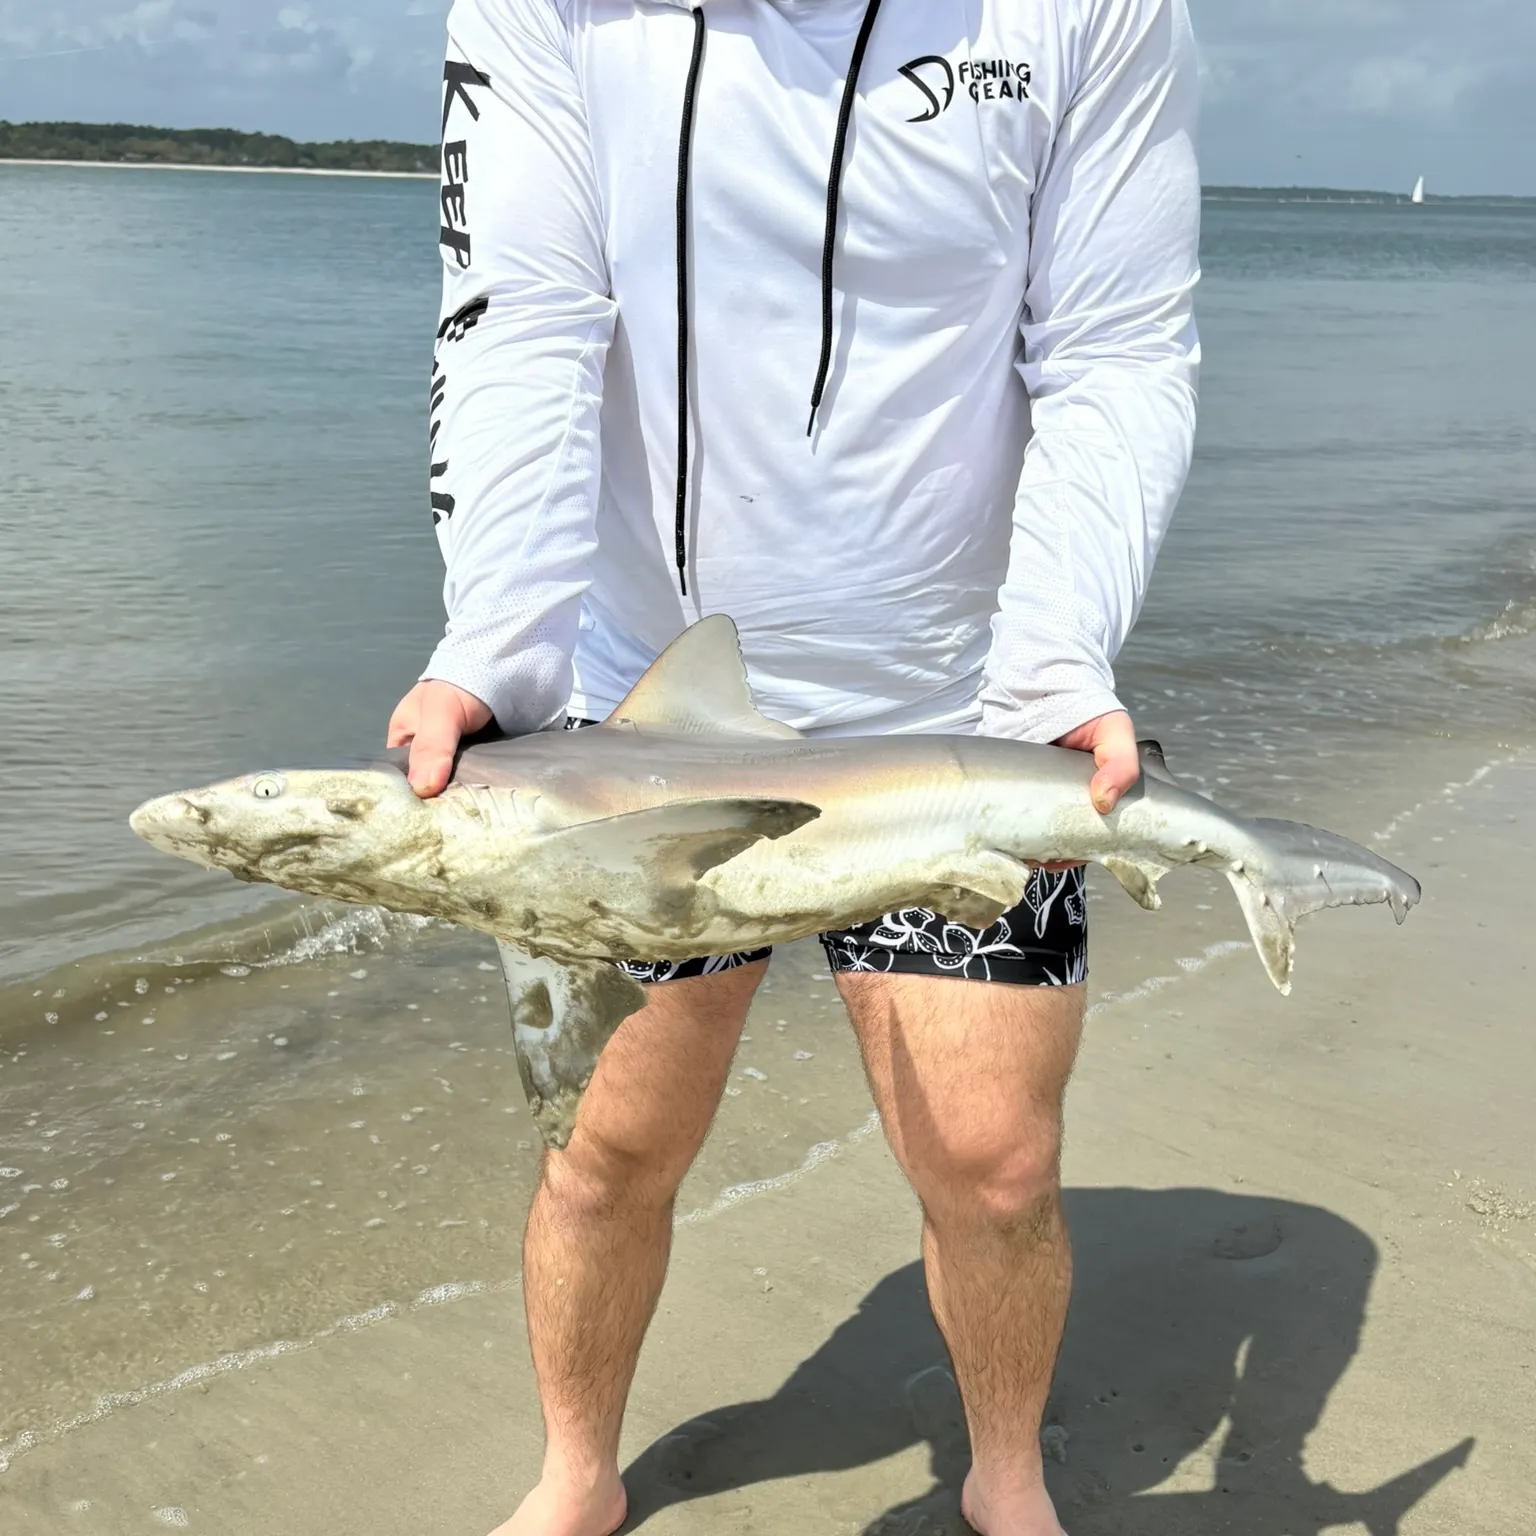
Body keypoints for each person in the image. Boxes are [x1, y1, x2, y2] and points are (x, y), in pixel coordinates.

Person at [388, 1, 1200, 1531]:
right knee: (602, 1151)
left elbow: (1111, 349)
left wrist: (1053, 665)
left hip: (958, 712)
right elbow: (522, 314)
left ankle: (1009, 1481)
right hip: (643, 712)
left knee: (999, 1166)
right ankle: (575, 1476)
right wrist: (498, 646)